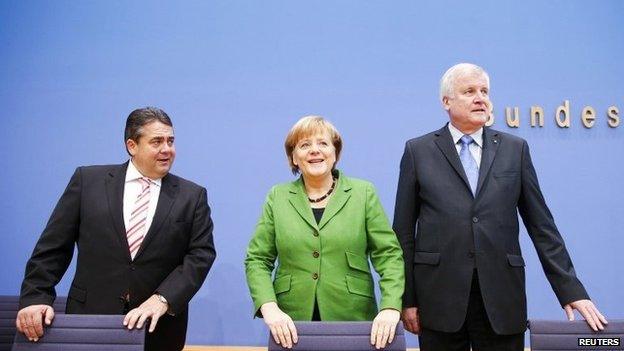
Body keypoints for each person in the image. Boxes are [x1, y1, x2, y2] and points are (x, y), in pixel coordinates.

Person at [393, 63, 608, 351]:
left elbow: (542, 227)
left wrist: (570, 289)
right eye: (469, 91)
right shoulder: (418, 151)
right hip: (438, 300)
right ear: (446, 101)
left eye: (484, 91)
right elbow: (403, 232)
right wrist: (408, 299)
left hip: (502, 298)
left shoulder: (514, 149)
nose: (480, 98)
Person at [16, 107, 216, 351]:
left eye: (170, 141)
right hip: (90, 322)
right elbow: (53, 247)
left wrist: (163, 299)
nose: (167, 149)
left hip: (158, 328)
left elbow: (200, 256)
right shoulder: (88, 181)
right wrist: (36, 296)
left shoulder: (192, 196)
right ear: (132, 146)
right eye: (157, 141)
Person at [245, 116, 404, 349]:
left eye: (323, 143)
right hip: (291, 324)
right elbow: (257, 259)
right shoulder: (277, 196)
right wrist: (269, 307)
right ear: (293, 157)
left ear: (335, 153)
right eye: (304, 145)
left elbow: (388, 255)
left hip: (353, 319)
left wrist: (390, 307)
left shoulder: (363, 193)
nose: (314, 151)